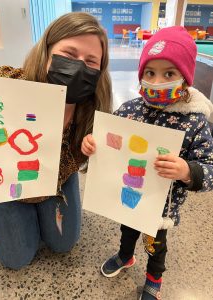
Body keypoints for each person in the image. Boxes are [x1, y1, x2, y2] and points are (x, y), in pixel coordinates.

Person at [81, 26, 213, 300]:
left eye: (169, 74)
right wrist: (92, 143)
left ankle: (154, 280)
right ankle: (125, 256)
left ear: (185, 80)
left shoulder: (196, 122)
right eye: (150, 73)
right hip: (129, 191)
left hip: (161, 204)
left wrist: (187, 171)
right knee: (127, 229)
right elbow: (108, 140)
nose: (157, 81)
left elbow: (209, 168)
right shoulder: (129, 109)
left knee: (156, 246)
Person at [0, 12, 112, 270]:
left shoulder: (91, 110)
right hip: (7, 184)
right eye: (68, 54)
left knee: (63, 244)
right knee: (16, 259)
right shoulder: (8, 84)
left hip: (58, 178)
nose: (79, 66)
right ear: (46, 51)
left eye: (91, 61)